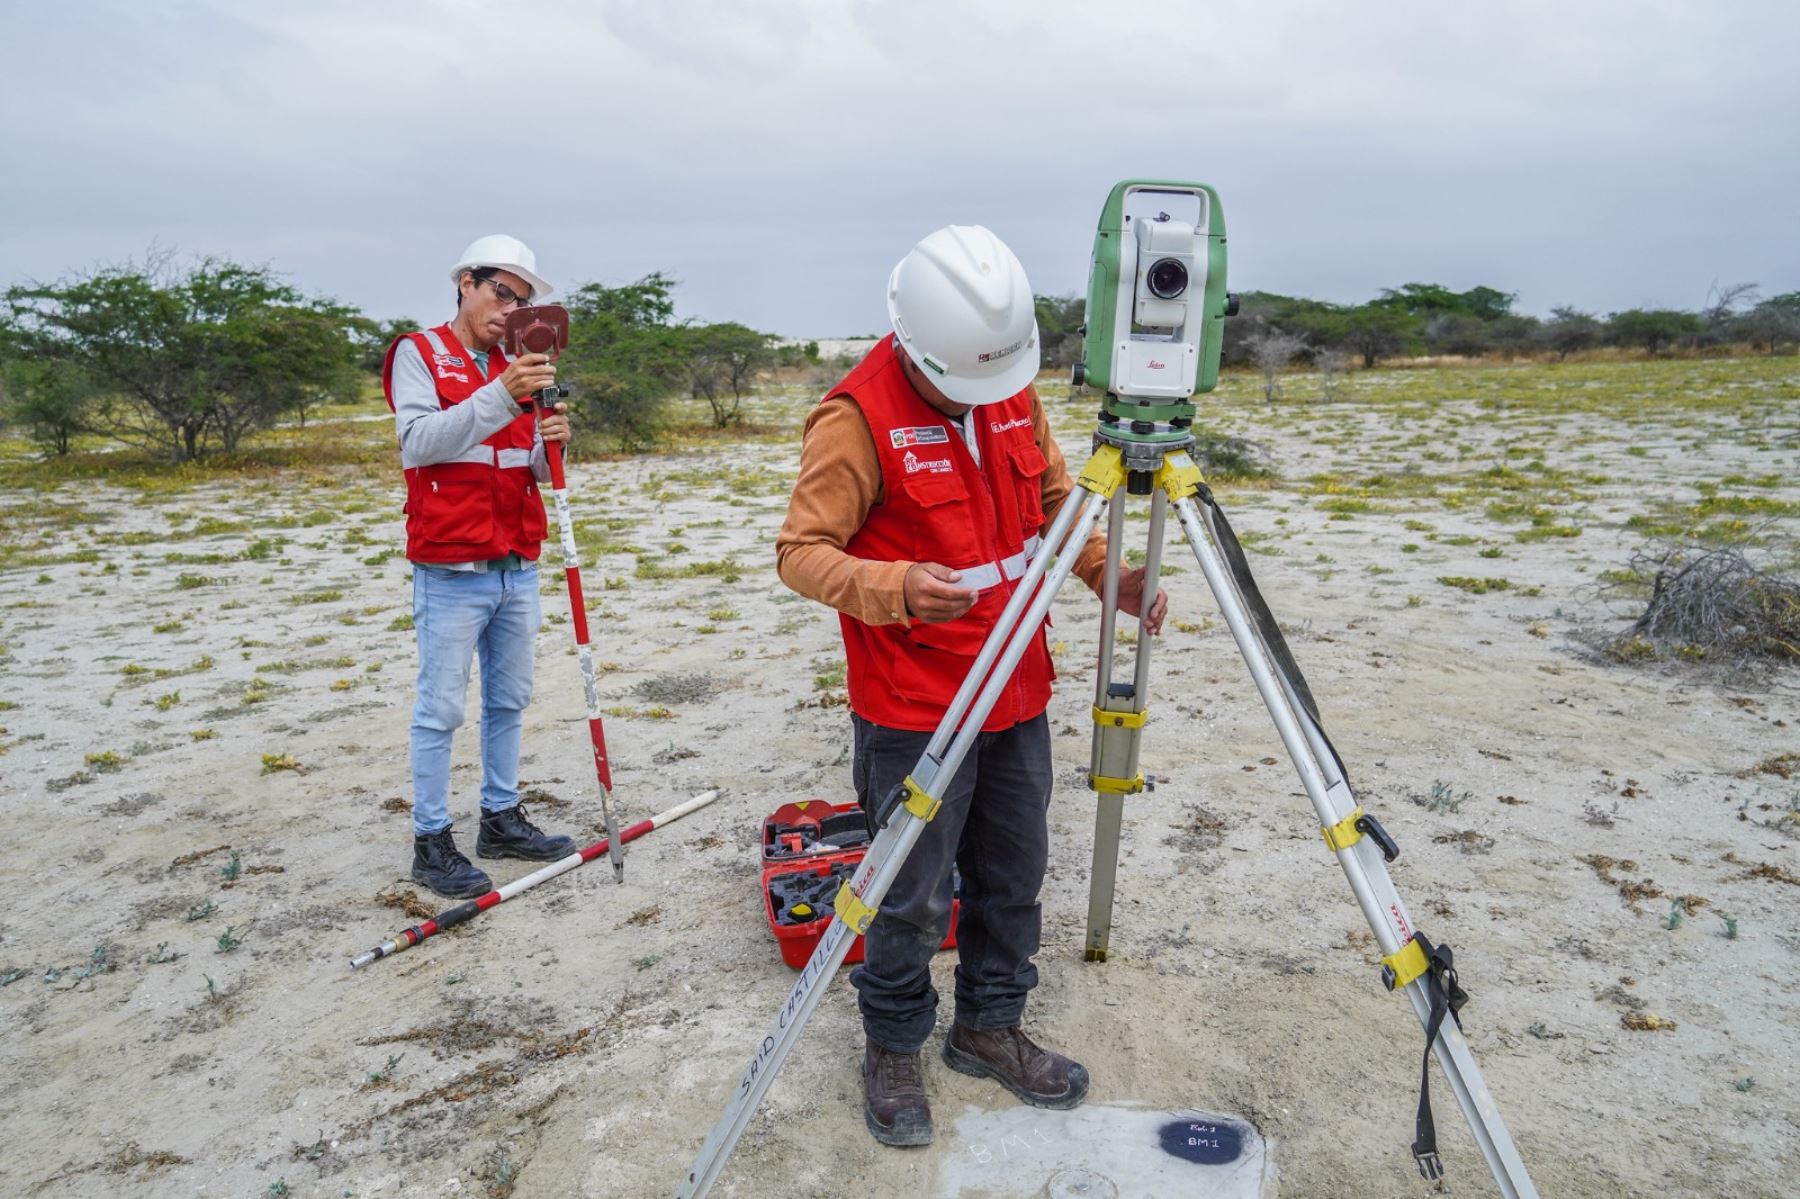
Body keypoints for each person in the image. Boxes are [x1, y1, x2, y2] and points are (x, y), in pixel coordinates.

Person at [775, 225, 1168, 1146]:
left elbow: (1053, 501)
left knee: (1013, 875)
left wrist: (1108, 571)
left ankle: (989, 1026)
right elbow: (801, 554)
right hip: (916, 705)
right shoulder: (854, 415)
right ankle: (895, 1044)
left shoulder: (1004, 382)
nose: (985, 390)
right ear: (916, 343)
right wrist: (895, 587)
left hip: (1017, 687)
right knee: (909, 891)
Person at [380, 234, 580, 898]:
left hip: (515, 559)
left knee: (509, 699)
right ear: (467, 281)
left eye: (522, 301)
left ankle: (500, 816)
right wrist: (501, 395)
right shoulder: (420, 352)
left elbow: (523, 468)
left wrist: (550, 442)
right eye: (502, 292)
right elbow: (418, 444)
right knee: (440, 708)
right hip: (451, 567)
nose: (509, 310)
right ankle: (431, 842)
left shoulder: (516, 367)